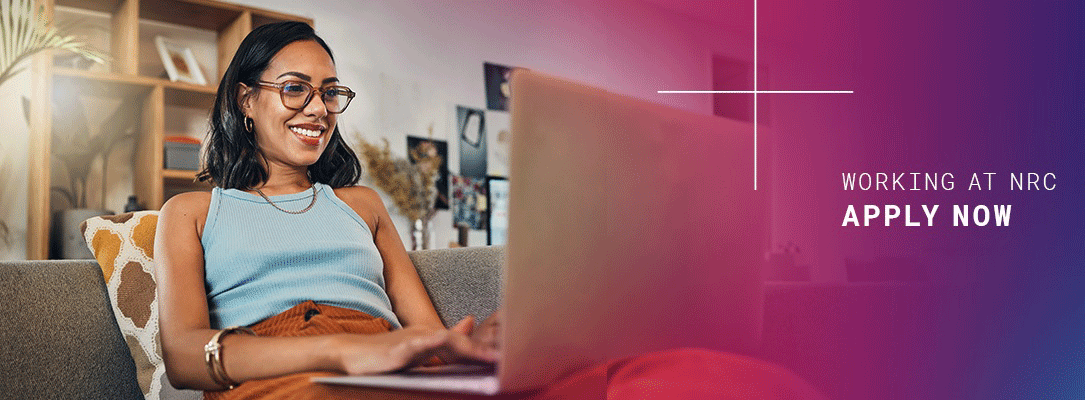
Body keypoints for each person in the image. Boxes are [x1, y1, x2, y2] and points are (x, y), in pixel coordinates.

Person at [157, 21, 824, 400]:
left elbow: (425, 334)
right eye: (295, 88)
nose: (319, 107)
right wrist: (344, 354)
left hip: (392, 371)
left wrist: (480, 343)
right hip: (285, 376)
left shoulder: (360, 205)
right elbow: (185, 356)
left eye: (330, 92)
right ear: (245, 101)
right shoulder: (189, 211)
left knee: (677, 378)